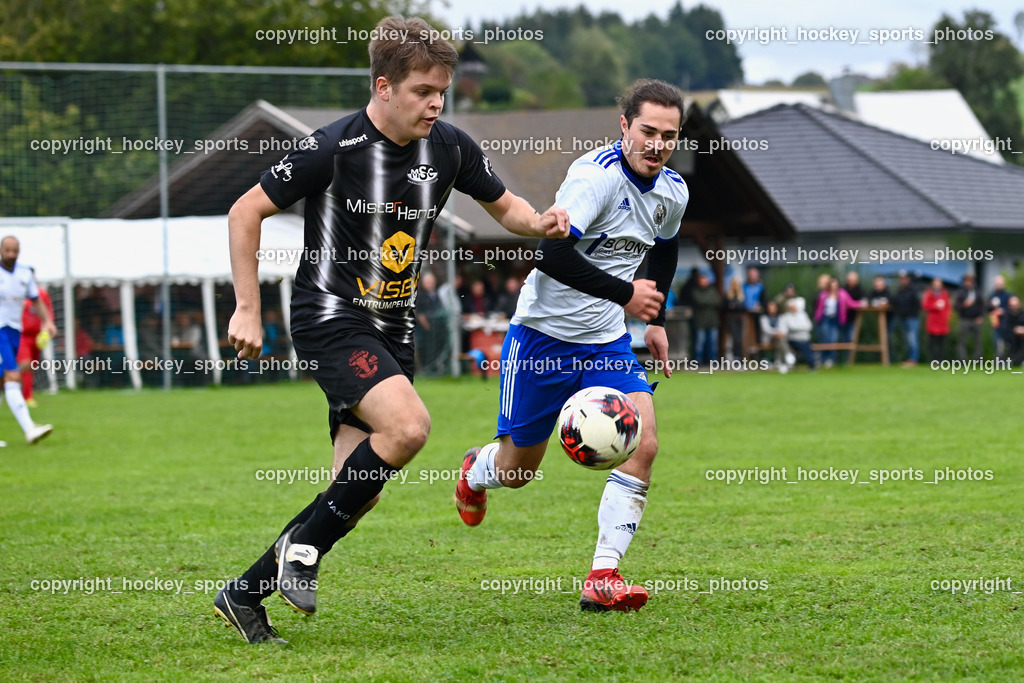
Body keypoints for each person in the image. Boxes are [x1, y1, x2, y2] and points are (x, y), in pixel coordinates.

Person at [215, 15, 569, 645]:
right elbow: (247, 211)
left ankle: (244, 594)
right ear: (383, 87)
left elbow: (505, 206)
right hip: (332, 318)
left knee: (356, 493)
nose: (436, 103)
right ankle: (303, 550)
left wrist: (542, 221)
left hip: (392, 332)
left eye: (442, 92)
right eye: (422, 91)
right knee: (409, 428)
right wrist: (247, 307)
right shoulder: (333, 148)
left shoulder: (451, 147)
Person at [453, 78, 687, 613]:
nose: (656, 144)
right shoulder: (593, 179)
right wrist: (626, 293)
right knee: (518, 472)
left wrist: (656, 316)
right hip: (542, 339)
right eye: (647, 130)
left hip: (606, 343)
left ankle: (603, 574)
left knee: (643, 443)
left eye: (668, 136)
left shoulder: (673, 189)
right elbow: (551, 257)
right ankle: (476, 470)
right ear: (624, 126)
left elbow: (667, 248)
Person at [0, 237, 55, 446]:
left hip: (15, 331)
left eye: (15, 251)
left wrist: (48, 322)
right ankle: (29, 428)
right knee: (13, 375)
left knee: (1, 382)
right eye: (8, 250)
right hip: (0, 330)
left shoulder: (25, 274)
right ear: (1, 250)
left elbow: (36, 300)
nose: (11, 255)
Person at [17, 273, 55, 408]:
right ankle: (24, 395)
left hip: (37, 335)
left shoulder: (41, 294)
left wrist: (48, 327)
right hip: (21, 335)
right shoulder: (17, 291)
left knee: (31, 367)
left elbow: (48, 312)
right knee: (25, 364)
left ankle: (26, 395)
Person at [814, 277, 858, 368]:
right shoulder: (823, 295)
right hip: (825, 319)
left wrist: (861, 303)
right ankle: (822, 359)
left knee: (833, 340)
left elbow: (851, 303)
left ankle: (830, 359)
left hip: (835, 319)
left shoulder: (842, 294)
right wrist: (817, 317)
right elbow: (818, 307)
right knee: (825, 340)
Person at [890, 271, 920, 367]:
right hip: (903, 319)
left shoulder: (913, 291)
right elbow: (895, 303)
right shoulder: (899, 291)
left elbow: (917, 305)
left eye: (904, 279)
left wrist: (912, 315)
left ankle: (913, 360)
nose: (903, 280)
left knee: (913, 340)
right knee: (907, 341)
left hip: (912, 319)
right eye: (901, 279)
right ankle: (909, 359)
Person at [691, 273, 722, 366]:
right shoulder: (695, 291)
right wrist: (709, 302)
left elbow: (717, 301)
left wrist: (706, 302)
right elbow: (699, 301)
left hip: (712, 321)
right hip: (700, 321)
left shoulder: (712, 290)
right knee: (700, 343)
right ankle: (698, 361)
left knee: (713, 343)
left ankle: (713, 361)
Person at [779, 297, 816, 370]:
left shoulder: (803, 315)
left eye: (794, 306)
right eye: (791, 307)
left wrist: (795, 328)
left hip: (805, 339)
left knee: (809, 354)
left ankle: (812, 366)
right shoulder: (785, 317)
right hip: (793, 340)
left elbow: (809, 326)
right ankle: (788, 363)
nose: (793, 308)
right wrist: (801, 328)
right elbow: (785, 330)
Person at [954, 273, 985, 361]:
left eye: (970, 281)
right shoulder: (961, 292)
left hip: (976, 320)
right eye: (966, 281)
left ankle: (978, 361)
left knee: (978, 342)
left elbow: (982, 305)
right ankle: (962, 360)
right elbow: (956, 306)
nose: (968, 283)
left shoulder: (978, 291)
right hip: (964, 319)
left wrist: (981, 316)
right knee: (962, 341)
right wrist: (964, 305)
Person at [760, 300, 794, 372]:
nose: (772, 309)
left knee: (780, 341)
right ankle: (787, 355)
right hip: (769, 338)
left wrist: (781, 333)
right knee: (781, 340)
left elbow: (784, 328)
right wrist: (776, 333)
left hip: (780, 338)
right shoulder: (764, 317)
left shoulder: (781, 317)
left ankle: (782, 363)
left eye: (773, 307)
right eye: (770, 307)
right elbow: (766, 330)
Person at [921, 278, 951, 362]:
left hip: (942, 322)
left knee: (942, 344)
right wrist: (935, 306)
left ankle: (941, 360)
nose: (937, 285)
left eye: (939, 284)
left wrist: (947, 317)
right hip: (932, 322)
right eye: (935, 284)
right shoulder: (929, 293)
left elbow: (948, 307)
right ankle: (932, 360)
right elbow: (925, 305)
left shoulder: (945, 294)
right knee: (932, 343)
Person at [987, 275, 1012, 359]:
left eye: (1000, 284)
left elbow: (1011, 308)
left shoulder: (1007, 295)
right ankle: (999, 360)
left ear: (1004, 284)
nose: (999, 285)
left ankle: (1008, 359)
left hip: (1006, 323)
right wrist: (992, 307)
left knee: (1007, 343)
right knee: (997, 342)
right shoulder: (992, 295)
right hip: (996, 323)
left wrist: (1003, 310)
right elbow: (987, 308)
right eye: (997, 284)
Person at [724, 276, 745, 361]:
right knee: (734, 338)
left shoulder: (741, 295)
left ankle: (738, 356)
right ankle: (732, 356)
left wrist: (735, 306)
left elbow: (743, 307)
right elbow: (724, 307)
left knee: (739, 339)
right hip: (731, 319)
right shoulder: (728, 295)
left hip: (739, 319)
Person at [1004, 296, 1024, 367]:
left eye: (1016, 305)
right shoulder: (1007, 315)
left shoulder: (1022, 314)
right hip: (1011, 338)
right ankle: (1011, 360)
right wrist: (1015, 329)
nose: (1014, 307)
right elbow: (1005, 328)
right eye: (1012, 305)